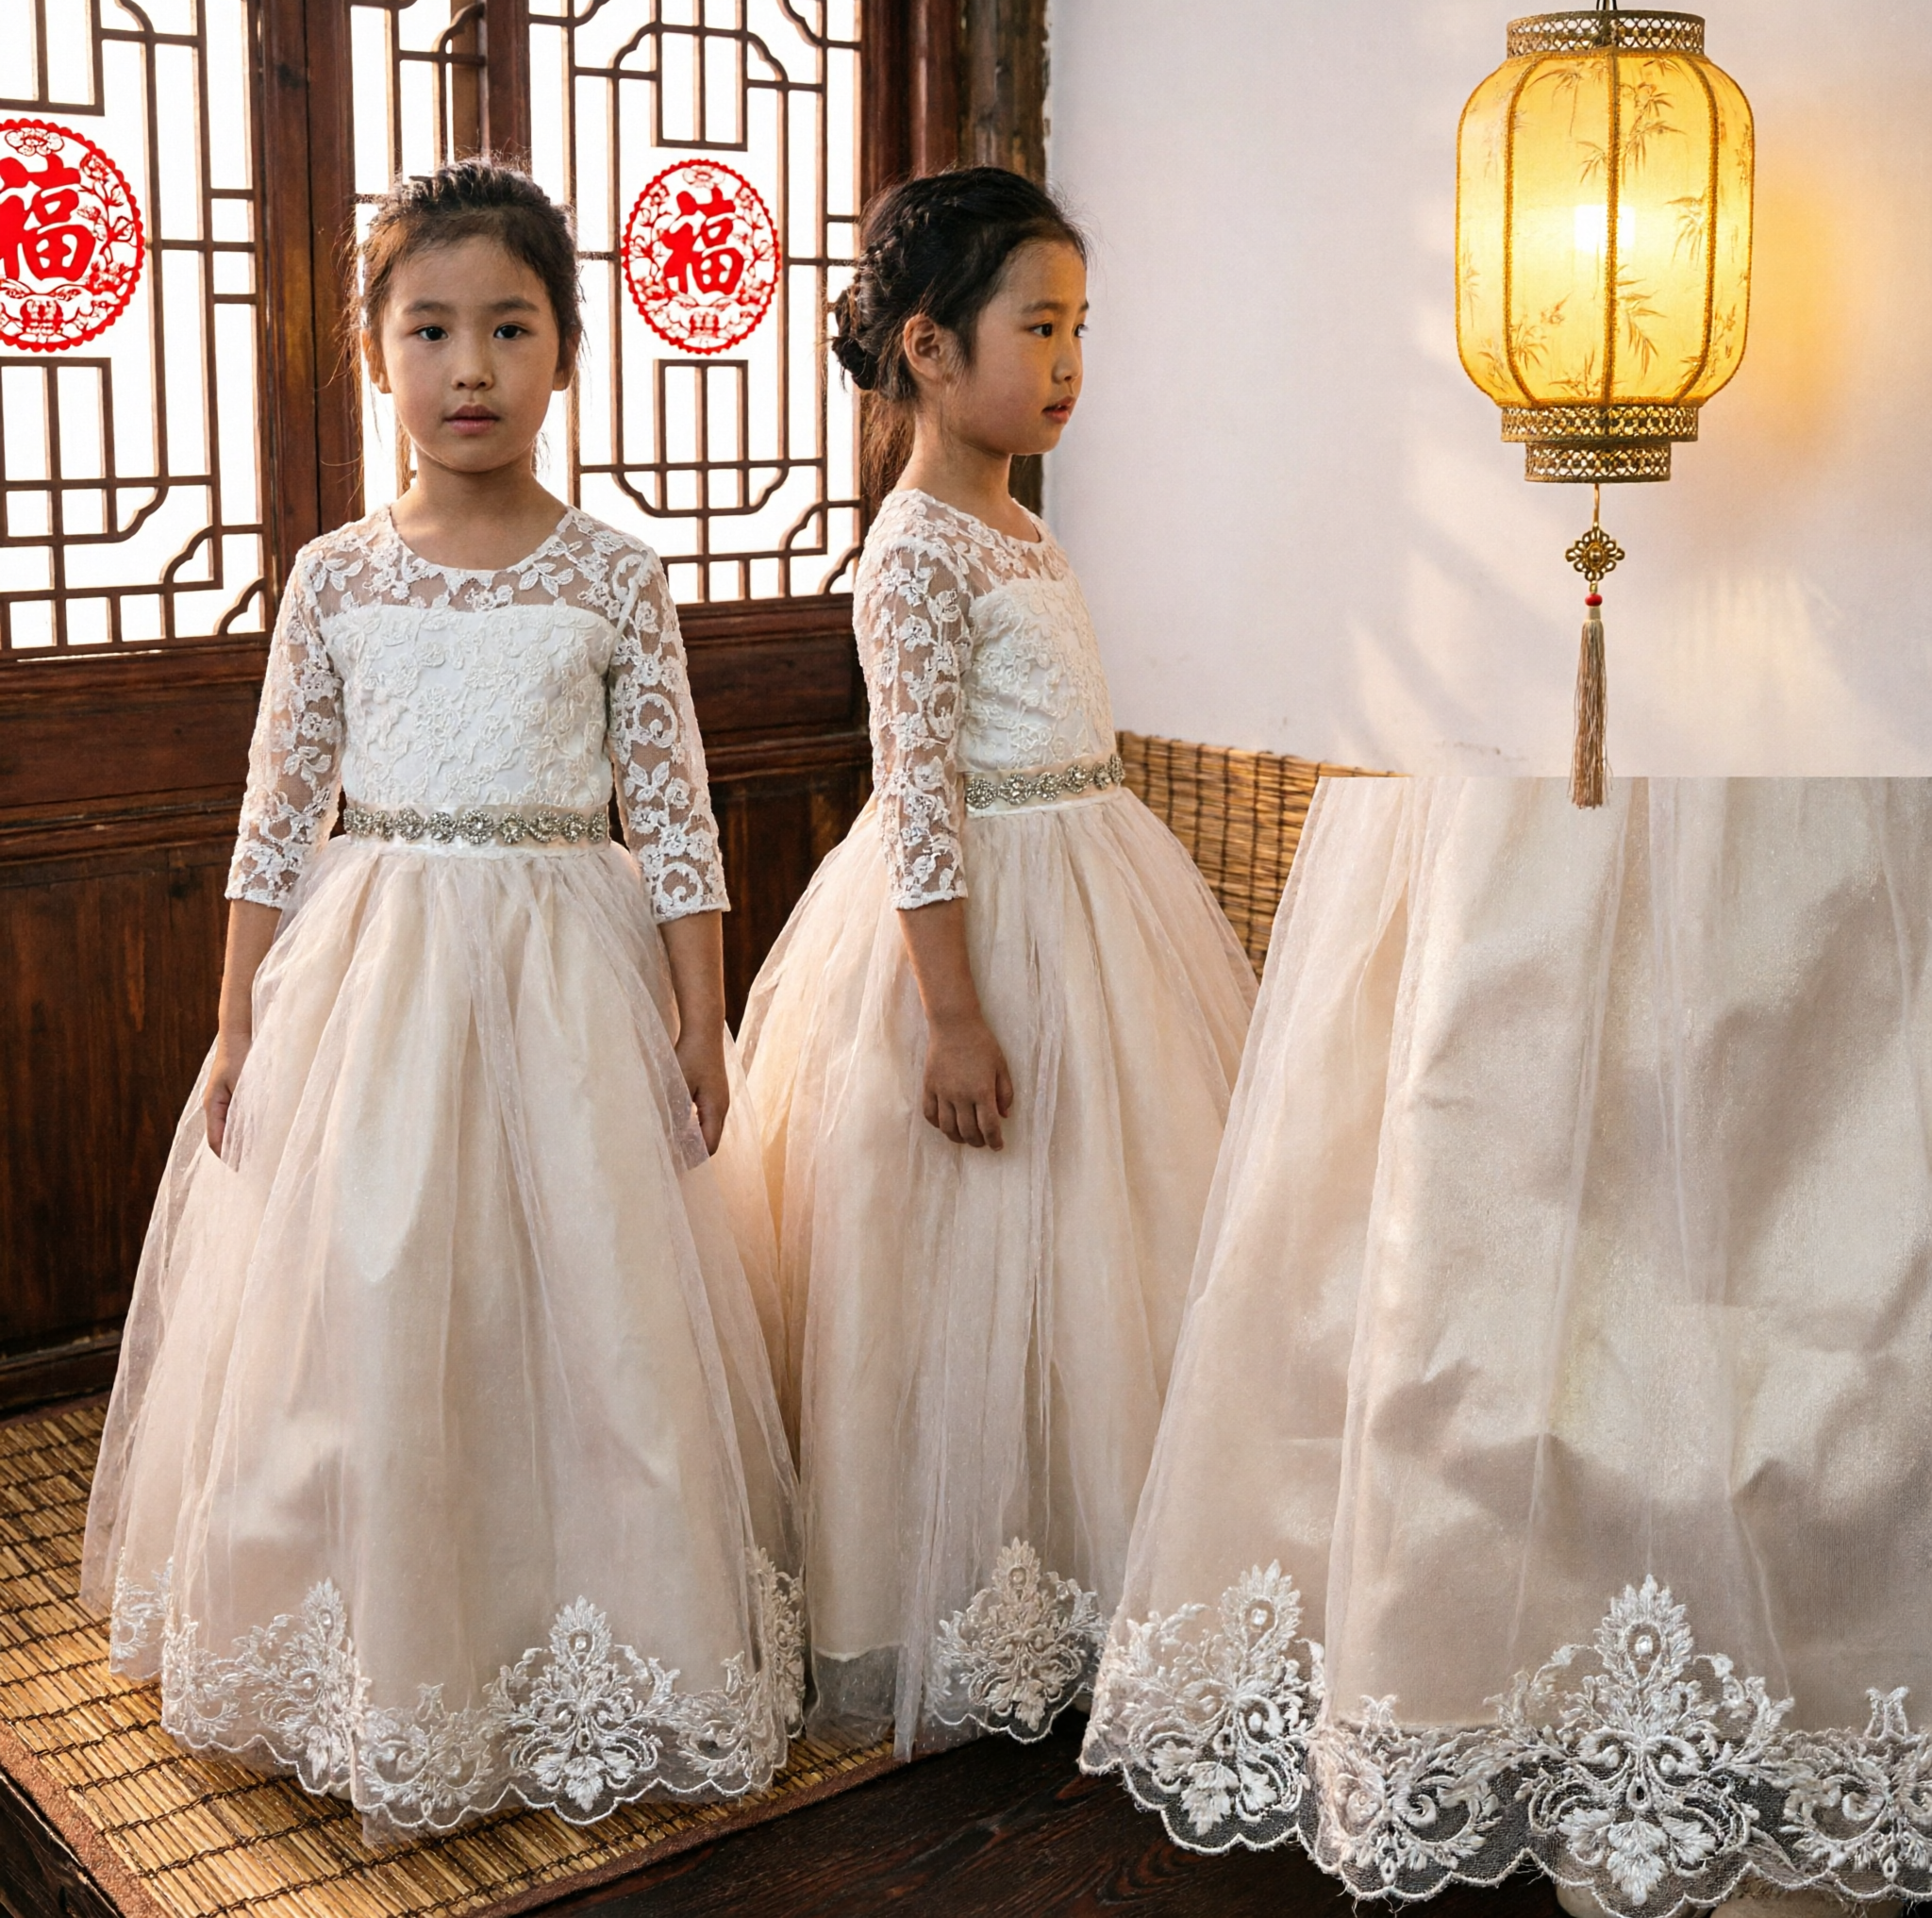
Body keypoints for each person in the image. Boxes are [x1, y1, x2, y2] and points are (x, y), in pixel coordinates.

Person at [80, 159, 803, 1843]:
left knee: (589, 1302)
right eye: (429, 329)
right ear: (372, 352)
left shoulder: (615, 575)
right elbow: (273, 807)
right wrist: (243, 1014)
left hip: (569, 971)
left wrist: (699, 1021)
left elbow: (675, 815)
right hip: (375, 974)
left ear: (564, 353)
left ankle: (578, 1631)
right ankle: (377, 1651)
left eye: (509, 327)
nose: (467, 365)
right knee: (376, 1288)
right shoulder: (335, 577)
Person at [1080, 776, 1930, 1918]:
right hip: (1535, 776)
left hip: (1758, 775)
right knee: (1497, 1275)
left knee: (1771, 1245)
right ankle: (1568, 1720)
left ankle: (1757, 1742)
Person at [739, 167, 1257, 1760]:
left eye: (1079, 327)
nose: (1067, 361)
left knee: (1103, 1251)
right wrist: (951, 1016)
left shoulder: (1018, 522)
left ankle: (1099, 1568)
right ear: (927, 347)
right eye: (1037, 326)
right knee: (966, 1263)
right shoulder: (911, 550)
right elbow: (919, 796)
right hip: (969, 938)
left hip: (1096, 897)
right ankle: (969, 1583)